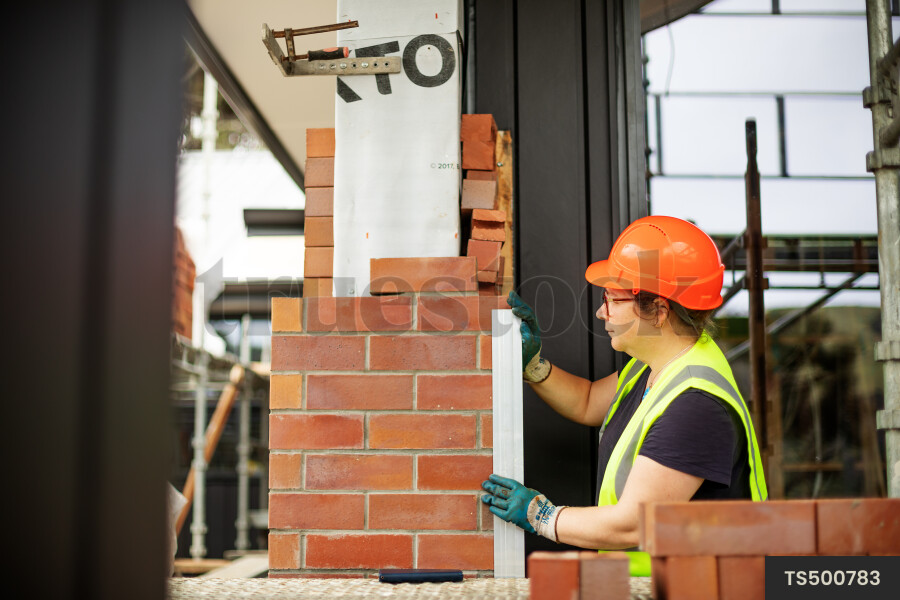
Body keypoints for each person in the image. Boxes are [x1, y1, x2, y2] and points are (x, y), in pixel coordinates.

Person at [481, 215, 768, 576]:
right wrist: (534, 366)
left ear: (660, 311)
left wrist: (541, 515)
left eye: (612, 300)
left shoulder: (695, 405)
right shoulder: (655, 363)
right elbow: (587, 402)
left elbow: (634, 523)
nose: (602, 312)